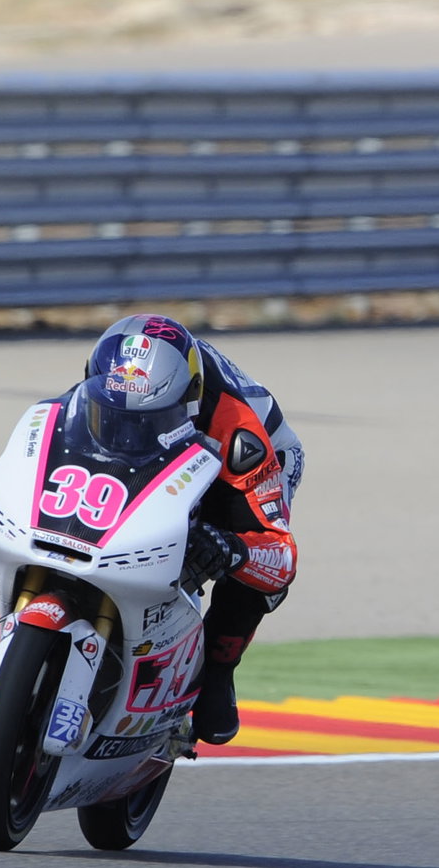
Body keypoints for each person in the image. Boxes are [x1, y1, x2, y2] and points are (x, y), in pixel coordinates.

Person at [82, 314, 302, 745]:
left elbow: (280, 557)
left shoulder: (237, 432)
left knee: (247, 567)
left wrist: (232, 549)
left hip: (251, 461)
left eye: (148, 419)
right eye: (114, 415)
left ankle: (218, 670)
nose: (129, 432)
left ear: (188, 401)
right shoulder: (108, 382)